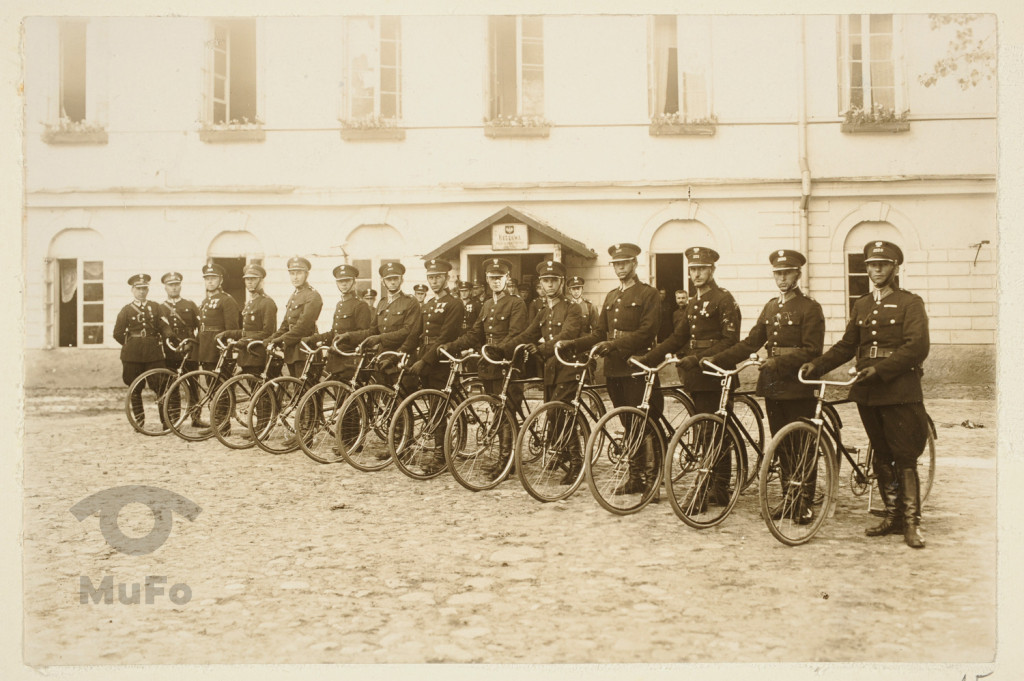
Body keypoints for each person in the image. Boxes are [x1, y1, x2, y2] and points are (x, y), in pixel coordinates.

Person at [801, 240, 930, 549]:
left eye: (883, 264)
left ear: (895, 268)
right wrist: (817, 365)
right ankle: (892, 515)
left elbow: (916, 347)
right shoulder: (861, 304)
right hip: (868, 391)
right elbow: (847, 345)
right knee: (882, 454)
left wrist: (882, 369)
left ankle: (911, 523)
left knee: (904, 455)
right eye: (872, 264)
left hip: (898, 389)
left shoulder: (910, 303)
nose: (876, 270)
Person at [709, 249, 824, 522]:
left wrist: (778, 362)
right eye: (778, 273)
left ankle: (804, 501)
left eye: (787, 273)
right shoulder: (771, 307)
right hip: (773, 386)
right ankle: (789, 498)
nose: (782, 278)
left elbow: (812, 350)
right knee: (781, 445)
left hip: (798, 385)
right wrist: (716, 358)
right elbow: (751, 343)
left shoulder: (810, 308)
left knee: (801, 443)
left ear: (798, 274)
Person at [640, 246, 740, 506]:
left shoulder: (724, 299)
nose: (696, 274)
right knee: (707, 432)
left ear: (712, 270)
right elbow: (678, 338)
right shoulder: (693, 303)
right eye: (693, 269)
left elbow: (730, 340)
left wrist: (698, 359)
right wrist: (650, 357)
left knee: (713, 433)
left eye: (701, 269)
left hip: (717, 374)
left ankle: (710, 488)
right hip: (697, 377)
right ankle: (719, 488)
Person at [561, 243, 661, 496]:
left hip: (637, 365)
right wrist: (573, 343)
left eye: (625, 263)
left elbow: (647, 332)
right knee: (627, 423)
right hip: (615, 369)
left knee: (645, 423)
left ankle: (653, 481)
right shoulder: (612, 296)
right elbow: (599, 333)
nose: (620, 268)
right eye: (616, 264)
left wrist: (614, 344)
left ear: (635, 264)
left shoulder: (648, 294)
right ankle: (635, 477)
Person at [442, 258, 528, 476]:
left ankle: (507, 463)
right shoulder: (488, 304)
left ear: (507, 278)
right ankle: (507, 460)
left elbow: (516, 335)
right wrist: (452, 346)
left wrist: (496, 350)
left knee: (506, 412)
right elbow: (475, 333)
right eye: (492, 278)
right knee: (496, 411)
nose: (496, 281)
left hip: (507, 364)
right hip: (489, 365)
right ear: (487, 279)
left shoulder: (516, 303)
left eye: (500, 277)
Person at [505, 260, 583, 482]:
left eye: (553, 281)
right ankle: (563, 452)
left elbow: (567, 334)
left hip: (568, 366)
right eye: (546, 281)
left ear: (561, 283)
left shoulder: (572, 307)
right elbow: (527, 334)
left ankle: (577, 463)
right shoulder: (542, 310)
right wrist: (503, 348)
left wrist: (541, 348)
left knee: (560, 412)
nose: (549, 285)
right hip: (550, 368)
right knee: (552, 414)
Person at [402, 259, 466, 470]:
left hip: (443, 360)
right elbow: (416, 334)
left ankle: (441, 457)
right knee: (430, 405)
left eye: (438, 277)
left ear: (447, 278)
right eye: (431, 277)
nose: (434, 281)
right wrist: (401, 352)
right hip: (428, 359)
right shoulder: (428, 304)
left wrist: (424, 360)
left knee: (438, 408)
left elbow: (446, 336)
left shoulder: (454, 304)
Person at [113, 274, 175, 427]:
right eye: (138, 289)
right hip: (132, 355)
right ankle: (139, 421)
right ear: (132, 290)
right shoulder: (126, 310)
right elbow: (117, 333)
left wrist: (169, 335)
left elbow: (164, 326)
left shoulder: (156, 307)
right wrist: (130, 344)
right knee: (135, 388)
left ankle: (165, 421)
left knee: (161, 387)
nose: (141, 292)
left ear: (147, 290)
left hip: (153, 354)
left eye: (144, 289)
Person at [343, 262, 422, 380]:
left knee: (402, 397)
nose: (393, 282)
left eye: (396, 278)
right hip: (382, 357)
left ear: (402, 280)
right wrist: (348, 336)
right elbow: (372, 331)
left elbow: (408, 331)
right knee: (378, 395)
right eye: (389, 279)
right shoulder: (382, 303)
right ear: (382, 281)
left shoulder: (410, 301)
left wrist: (380, 338)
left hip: (401, 357)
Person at [304, 264, 372, 384]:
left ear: (354, 282)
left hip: (350, 359)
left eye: (347, 281)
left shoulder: (360, 305)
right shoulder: (339, 305)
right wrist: (312, 338)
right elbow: (334, 333)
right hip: (336, 358)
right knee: (338, 398)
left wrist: (347, 336)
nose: (344, 284)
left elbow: (365, 333)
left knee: (348, 400)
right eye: (341, 282)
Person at [265, 257, 323, 379]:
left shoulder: (312, 295)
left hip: (306, 347)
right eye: (292, 273)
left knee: (307, 391)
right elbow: (286, 325)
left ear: (306, 274)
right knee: (297, 386)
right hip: (293, 348)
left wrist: (281, 340)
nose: (295, 277)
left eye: (299, 273)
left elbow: (303, 326)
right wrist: (272, 338)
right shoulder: (294, 296)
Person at [217, 264, 278, 376]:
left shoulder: (267, 302)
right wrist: (227, 333)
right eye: (247, 279)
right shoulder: (250, 302)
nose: (249, 282)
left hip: (258, 354)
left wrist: (245, 340)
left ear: (261, 281)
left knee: (260, 391)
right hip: (247, 353)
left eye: (253, 279)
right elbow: (246, 331)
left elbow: (268, 332)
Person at [197, 263, 242, 371]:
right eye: (207, 278)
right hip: (205, 348)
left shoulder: (227, 300)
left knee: (222, 384)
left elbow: (232, 328)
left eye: (213, 278)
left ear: (221, 280)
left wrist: (229, 349)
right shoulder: (205, 301)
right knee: (210, 383)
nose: (210, 281)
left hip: (218, 349)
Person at [158, 271, 200, 373]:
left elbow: (200, 326)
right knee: (171, 381)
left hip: (189, 347)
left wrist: (195, 343)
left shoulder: (190, 305)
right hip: (170, 348)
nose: (174, 288)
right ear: (165, 288)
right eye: (170, 285)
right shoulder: (160, 308)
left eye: (176, 284)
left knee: (192, 380)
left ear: (180, 287)